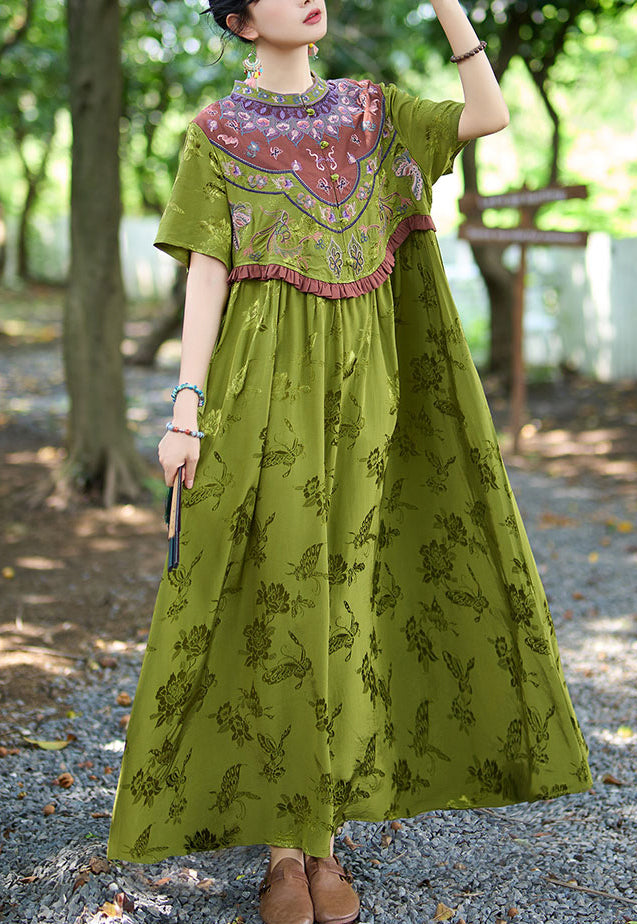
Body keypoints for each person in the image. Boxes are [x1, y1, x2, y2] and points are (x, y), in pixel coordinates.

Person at [106, 1, 594, 922]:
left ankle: (325, 838)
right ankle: (283, 852)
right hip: (260, 387)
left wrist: (449, 6)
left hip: (371, 394)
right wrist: (185, 409)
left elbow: (487, 114)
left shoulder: (374, 112)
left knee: (348, 597)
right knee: (278, 595)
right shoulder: (214, 133)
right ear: (242, 22)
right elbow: (206, 271)